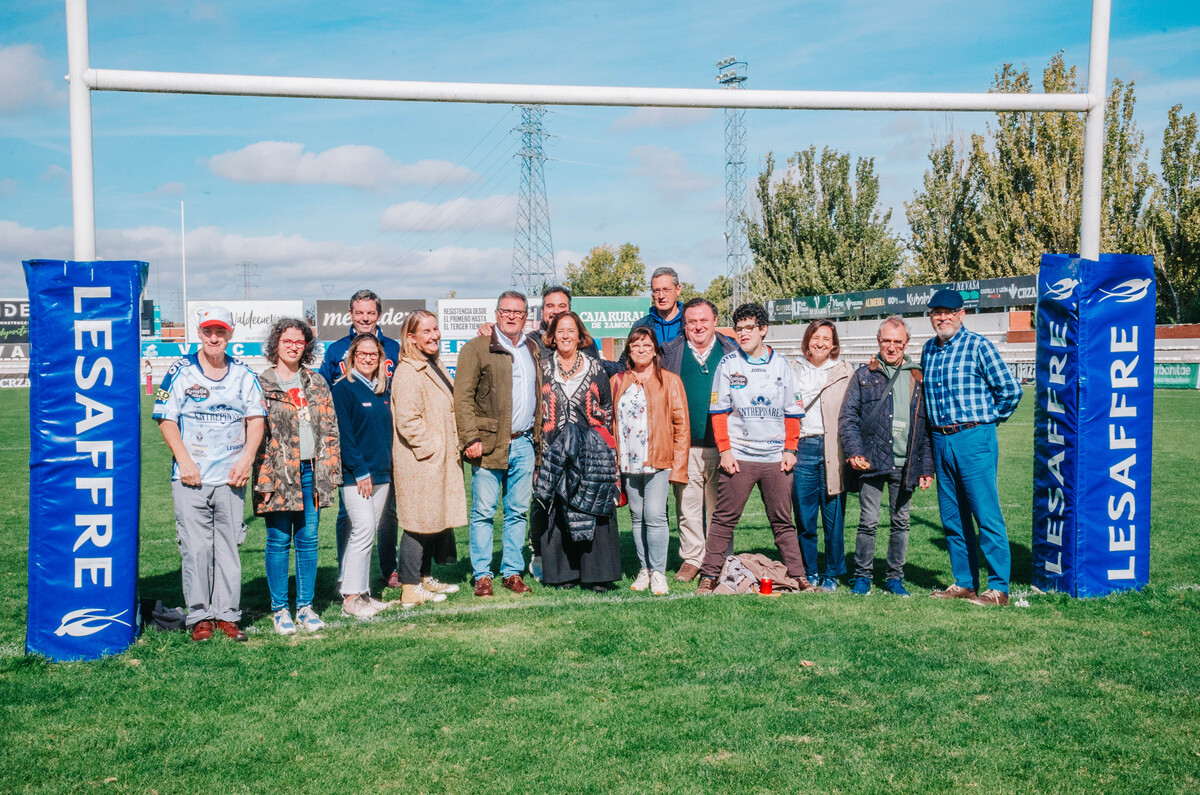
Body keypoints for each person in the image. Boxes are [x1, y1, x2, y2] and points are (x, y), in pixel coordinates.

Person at [153, 305, 266, 642]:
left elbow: (256, 420)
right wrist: (184, 462)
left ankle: (228, 617)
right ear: (199, 334)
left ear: (230, 335)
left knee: (229, 549)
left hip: (231, 478)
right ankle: (200, 616)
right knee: (196, 549)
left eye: (220, 332)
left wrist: (246, 460)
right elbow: (166, 418)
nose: (214, 338)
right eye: (208, 332)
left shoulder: (244, 374)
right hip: (191, 478)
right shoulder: (180, 371)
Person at [696, 303, 815, 594]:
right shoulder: (728, 364)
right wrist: (725, 450)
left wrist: (790, 450)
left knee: (783, 522)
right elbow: (719, 412)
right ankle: (709, 575)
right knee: (723, 520)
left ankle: (798, 576)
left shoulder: (782, 365)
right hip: (740, 456)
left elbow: (793, 412)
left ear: (763, 330)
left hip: (776, 459)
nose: (742, 333)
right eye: (738, 328)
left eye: (749, 328)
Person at [922, 289, 1023, 606]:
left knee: (985, 513)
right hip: (940, 438)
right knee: (952, 517)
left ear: (961, 314)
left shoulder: (978, 346)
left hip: (973, 437)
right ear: (931, 316)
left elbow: (1010, 390)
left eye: (949, 311)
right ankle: (964, 582)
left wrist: (989, 421)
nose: (943, 317)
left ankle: (998, 588)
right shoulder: (928, 349)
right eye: (937, 312)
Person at [253, 318, 341, 634]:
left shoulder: (316, 382)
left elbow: (330, 429)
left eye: (299, 342)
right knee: (278, 540)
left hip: (311, 472)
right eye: (287, 340)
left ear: (306, 347)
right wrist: (263, 480)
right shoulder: (260, 383)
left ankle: (305, 607)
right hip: (277, 473)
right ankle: (280, 610)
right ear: (276, 344)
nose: (293, 346)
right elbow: (254, 436)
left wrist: (330, 472)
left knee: (308, 540)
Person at [453, 291, 541, 597]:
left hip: (524, 442)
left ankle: (512, 572)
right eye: (507, 310)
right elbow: (462, 397)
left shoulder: (532, 348)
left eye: (518, 311)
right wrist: (470, 437)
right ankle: (482, 575)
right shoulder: (476, 348)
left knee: (517, 512)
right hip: (488, 443)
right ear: (497, 313)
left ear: (526, 316)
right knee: (484, 512)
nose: (512, 316)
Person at [840, 316, 934, 597]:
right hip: (872, 460)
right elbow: (848, 419)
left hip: (906, 464)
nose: (891, 347)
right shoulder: (863, 375)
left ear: (906, 344)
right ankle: (862, 577)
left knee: (901, 522)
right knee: (868, 521)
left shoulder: (918, 375)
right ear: (878, 342)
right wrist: (855, 450)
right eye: (886, 341)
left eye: (897, 342)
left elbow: (925, 426)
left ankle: (894, 578)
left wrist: (926, 466)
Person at [318, 289, 403, 590]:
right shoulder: (335, 350)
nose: (365, 318)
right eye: (359, 313)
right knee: (349, 515)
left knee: (387, 512)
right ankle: (347, 569)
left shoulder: (393, 347)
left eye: (370, 313)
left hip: (384, 441)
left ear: (379, 315)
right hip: (353, 444)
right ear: (351, 314)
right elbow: (326, 394)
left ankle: (388, 567)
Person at [534, 311, 621, 590]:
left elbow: (606, 409)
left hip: (590, 451)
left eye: (571, 330)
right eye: (560, 331)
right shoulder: (543, 368)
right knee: (558, 509)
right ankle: (564, 575)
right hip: (554, 449)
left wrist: (602, 446)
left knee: (593, 507)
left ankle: (597, 575)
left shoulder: (595, 367)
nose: (566, 336)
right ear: (552, 335)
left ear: (580, 334)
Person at [391, 310, 466, 608]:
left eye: (436, 329)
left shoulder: (433, 365)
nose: (434, 335)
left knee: (432, 519)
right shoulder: (408, 371)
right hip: (421, 461)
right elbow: (408, 422)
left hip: (437, 460)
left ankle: (424, 578)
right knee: (418, 522)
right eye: (427, 331)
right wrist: (433, 447)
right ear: (411, 337)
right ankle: (409, 586)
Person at [660, 298, 737, 582]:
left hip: (723, 445)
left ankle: (721, 558)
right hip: (684, 445)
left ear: (715, 321)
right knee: (688, 506)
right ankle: (692, 559)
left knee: (721, 508)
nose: (698, 326)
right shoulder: (670, 353)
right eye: (692, 321)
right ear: (685, 324)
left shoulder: (732, 351)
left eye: (704, 320)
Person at [611, 327, 689, 596]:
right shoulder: (618, 381)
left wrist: (678, 466)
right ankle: (644, 569)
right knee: (636, 517)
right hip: (629, 462)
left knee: (655, 515)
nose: (641, 350)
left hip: (658, 460)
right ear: (629, 351)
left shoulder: (669, 381)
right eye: (635, 345)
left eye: (646, 345)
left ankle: (658, 572)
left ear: (655, 349)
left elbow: (681, 425)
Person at [331, 334, 395, 618]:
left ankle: (364, 594)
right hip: (357, 476)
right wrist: (360, 471)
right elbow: (344, 435)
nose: (368, 358)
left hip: (382, 473)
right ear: (352, 356)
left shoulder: (382, 389)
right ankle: (350, 598)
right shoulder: (344, 388)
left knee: (369, 534)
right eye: (362, 353)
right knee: (363, 530)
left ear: (380, 358)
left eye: (373, 354)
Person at [791, 319, 855, 592]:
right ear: (807, 341)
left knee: (833, 518)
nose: (821, 342)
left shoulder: (845, 370)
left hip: (833, 449)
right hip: (802, 447)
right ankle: (809, 570)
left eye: (826, 338)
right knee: (804, 518)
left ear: (834, 344)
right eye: (816, 337)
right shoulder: (793, 369)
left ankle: (832, 571)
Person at [631, 266, 684, 346]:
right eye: (656, 291)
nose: (661, 296)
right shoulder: (641, 325)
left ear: (678, 290)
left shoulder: (691, 323)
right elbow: (629, 356)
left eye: (666, 290)